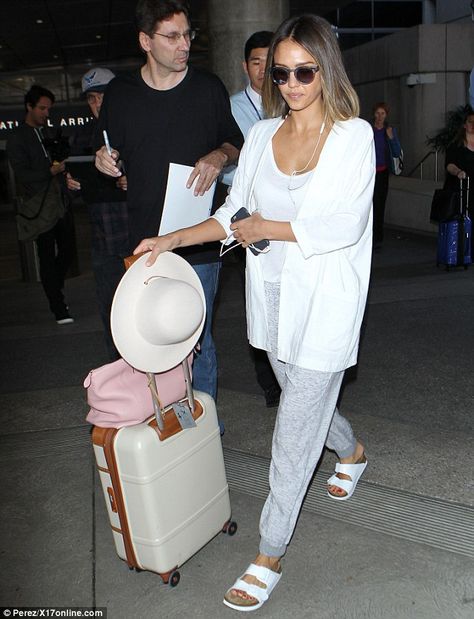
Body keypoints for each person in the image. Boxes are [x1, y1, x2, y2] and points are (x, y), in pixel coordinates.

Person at [134, 13, 375, 612]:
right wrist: (171, 240)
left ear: (326, 69)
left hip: (327, 301)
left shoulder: (354, 136)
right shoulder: (264, 136)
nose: (291, 82)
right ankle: (351, 451)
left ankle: (269, 551)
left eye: (304, 71)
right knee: (303, 397)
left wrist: (266, 227)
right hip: (271, 300)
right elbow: (230, 214)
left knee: (292, 431)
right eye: (281, 72)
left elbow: (344, 224)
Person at [94, 0, 243, 400]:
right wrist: (105, 161)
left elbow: (236, 142)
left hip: (199, 240)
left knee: (199, 339)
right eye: (173, 36)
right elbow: (109, 150)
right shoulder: (121, 94)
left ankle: (205, 424)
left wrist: (219, 155)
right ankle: (165, 425)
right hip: (146, 242)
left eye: (188, 35)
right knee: (154, 339)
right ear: (146, 40)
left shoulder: (207, 88)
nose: (185, 45)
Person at [221, 30, 281, 408]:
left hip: (284, 218)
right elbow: (225, 165)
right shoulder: (231, 108)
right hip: (246, 215)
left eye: (268, 62)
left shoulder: (293, 101)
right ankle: (271, 384)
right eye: (256, 62)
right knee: (259, 296)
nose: (263, 70)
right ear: (246, 66)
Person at [66, 67, 128, 360]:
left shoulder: (133, 127)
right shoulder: (81, 137)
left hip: (139, 235)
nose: (97, 104)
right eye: (91, 98)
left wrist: (134, 180)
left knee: (145, 311)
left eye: (103, 96)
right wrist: (72, 183)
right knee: (110, 311)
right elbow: (76, 182)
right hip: (103, 239)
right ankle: (122, 379)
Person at [7, 85, 75, 324]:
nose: (46, 113)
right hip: (39, 206)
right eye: (42, 108)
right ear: (29, 107)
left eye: (49, 109)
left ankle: (54, 287)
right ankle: (58, 307)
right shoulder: (17, 137)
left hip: (60, 202)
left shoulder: (48, 133)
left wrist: (63, 173)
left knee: (67, 251)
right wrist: (51, 170)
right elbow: (23, 175)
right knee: (47, 256)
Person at [371, 101, 402, 248]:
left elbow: (396, 152)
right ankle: (368, 237)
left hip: (382, 173)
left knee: (379, 205)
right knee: (369, 205)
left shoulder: (389, 130)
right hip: (369, 174)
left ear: (386, 115)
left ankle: (378, 238)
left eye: (382, 113)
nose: (379, 116)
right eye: (377, 113)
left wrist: (391, 138)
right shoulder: (368, 130)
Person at [443, 108, 474, 211]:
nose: (473, 124)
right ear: (464, 125)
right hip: (459, 191)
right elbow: (449, 165)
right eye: (470, 121)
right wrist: (458, 172)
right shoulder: (455, 145)